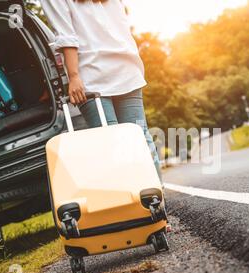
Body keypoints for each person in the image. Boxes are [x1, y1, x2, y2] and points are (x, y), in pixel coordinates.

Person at [40, 0, 162, 179]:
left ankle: (133, 198)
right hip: (126, 67)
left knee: (112, 144)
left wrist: (73, 77)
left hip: (92, 76)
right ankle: (156, 197)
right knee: (140, 137)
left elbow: (67, 37)